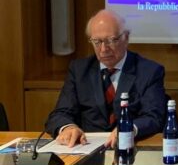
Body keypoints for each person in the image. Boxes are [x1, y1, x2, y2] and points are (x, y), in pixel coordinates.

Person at [45, 9, 167, 147]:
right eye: (97, 42)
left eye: (110, 40)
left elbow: (154, 117)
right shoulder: (79, 71)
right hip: (86, 147)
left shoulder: (149, 71)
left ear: (126, 38)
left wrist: (129, 128)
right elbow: (60, 114)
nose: (103, 49)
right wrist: (68, 128)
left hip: (131, 146)